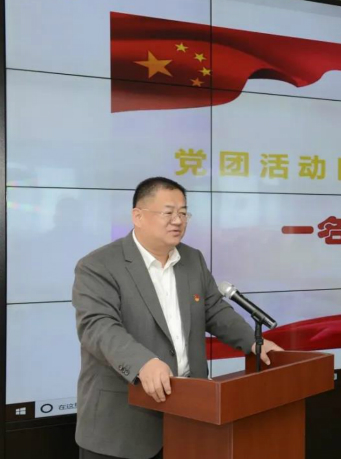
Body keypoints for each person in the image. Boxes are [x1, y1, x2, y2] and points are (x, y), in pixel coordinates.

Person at [72, 177, 282, 459]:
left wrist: (253, 342)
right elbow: (98, 327)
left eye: (183, 213)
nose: (178, 221)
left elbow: (214, 310)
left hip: (189, 417)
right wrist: (142, 362)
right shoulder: (99, 265)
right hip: (122, 426)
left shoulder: (192, 259)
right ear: (138, 216)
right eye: (168, 212)